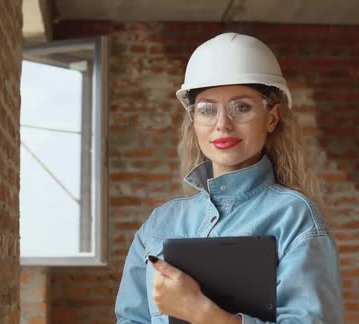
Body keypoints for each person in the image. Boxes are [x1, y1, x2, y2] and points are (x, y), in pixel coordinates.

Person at [115, 32, 344, 324]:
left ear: (271, 118)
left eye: (242, 107)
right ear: (194, 121)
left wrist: (200, 313)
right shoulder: (159, 225)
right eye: (207, 110)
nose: (222, 124)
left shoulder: (295, 218)